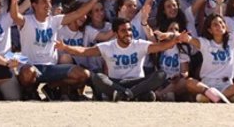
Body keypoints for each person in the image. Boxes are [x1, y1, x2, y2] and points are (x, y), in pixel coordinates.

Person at [10, 0, 110, 101]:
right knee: (27, 73)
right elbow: (14, 16)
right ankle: (30, 92)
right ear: (34, 5)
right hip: (32, 66)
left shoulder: (55, 20)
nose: (48, 5)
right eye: (44, 2)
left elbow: (78, 13)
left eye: (50, 2)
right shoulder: (27, 20)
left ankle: (51, 87)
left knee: (83, 75)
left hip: (51, 67)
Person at [56, 17, 191, 102]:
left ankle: (125, 94)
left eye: (129, 30)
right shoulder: (108, 46)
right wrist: (66, 47)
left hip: (137, 82)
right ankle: (135, 95)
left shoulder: (139, 44)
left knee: (160, 75)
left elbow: (161, 46)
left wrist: (176, 40)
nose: (128, 33)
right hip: (116, 82)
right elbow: (85, 52)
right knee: (98, 77)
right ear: (115, 33)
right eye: (123, 31)